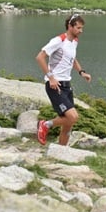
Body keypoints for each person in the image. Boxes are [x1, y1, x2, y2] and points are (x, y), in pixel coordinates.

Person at [35, 13, 92, 146]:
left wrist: (81, 72)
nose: (81, 31)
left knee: (68, 124)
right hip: (55, 85)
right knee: (73, 117)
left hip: (67, 85)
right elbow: (40, 57)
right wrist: (51, 78)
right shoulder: (58, 40)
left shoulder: (75, 41)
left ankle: (61, 152)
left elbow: (71, 59)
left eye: (82, 28)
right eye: (78, 28)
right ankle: (45, 124)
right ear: (70, 26)